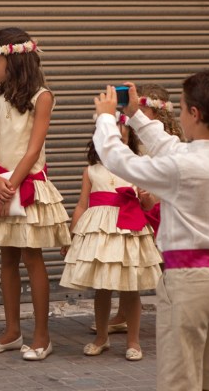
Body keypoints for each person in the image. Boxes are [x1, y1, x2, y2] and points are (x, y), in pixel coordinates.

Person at [92, 71, 209, 390]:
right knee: (204, 378)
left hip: (188, 281)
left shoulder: (184, 167)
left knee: (179, 380)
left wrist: (106, 120)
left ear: (195, 114)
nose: (180, 114)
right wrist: (133, 114)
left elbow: (120, 161)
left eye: (183, 107)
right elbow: (170, 147)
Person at [0, 28, 71, 361]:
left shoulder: (43, 97)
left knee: (32, 257)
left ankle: (42, 336)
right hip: (1, 185)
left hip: (29, 185)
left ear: (14, 60)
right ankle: (12, 331)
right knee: (7, 258)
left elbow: (33, 147)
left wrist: (10, 184)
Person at [59, 116, 162, 361]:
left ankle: (133, 341)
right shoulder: (91, 170)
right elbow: (82, 205)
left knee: (130, 288)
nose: (118, 131)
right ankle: (101, 337)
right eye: (112, 129)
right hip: (100, 231)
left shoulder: (138, 165)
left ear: (130, 134)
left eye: (122, 127)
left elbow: (150, 204)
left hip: (129, 229)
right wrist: (71, 236)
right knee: (102, 287)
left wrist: (146, 197)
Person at [93, 82, 183, 334]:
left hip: (159, 206)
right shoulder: (134, 133)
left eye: (143, 107)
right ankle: (123, 314)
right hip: (137, 204)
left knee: (164, 262)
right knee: (129, 259)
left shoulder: (167, 140)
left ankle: (175, 312)